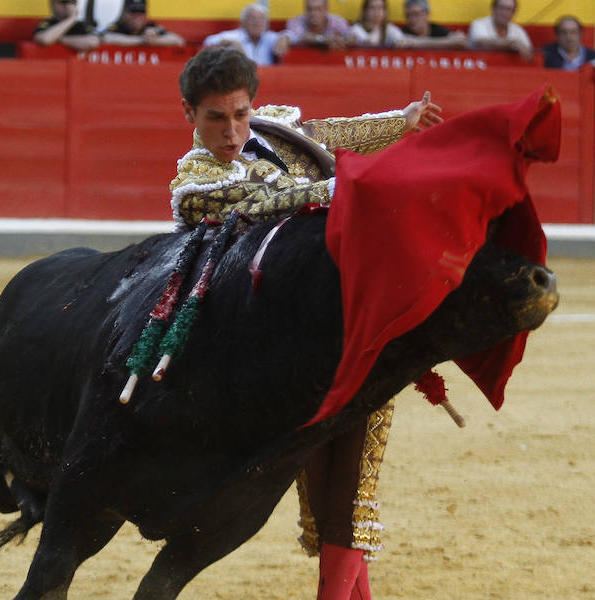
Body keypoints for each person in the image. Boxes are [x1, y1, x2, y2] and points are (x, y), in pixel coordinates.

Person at [170, 46, 441, 599]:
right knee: (329, 490)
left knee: (346, 488)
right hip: (272, 352)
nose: (232, 130)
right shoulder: (196, 184)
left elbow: (334, 132)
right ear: (189, 115)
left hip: (338, 320)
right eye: (215, 118)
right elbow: (276, 200)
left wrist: (401, 122)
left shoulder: (273, 130)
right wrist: (357, 186)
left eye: (240, 113)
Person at [203, 3, 291, 66]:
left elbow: (293, 36)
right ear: (243, 22)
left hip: (268, 79)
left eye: (261, 19)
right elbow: (208, 41)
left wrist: (285, 37)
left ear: (266, 23)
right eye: (252, 18)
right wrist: (230, 43)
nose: (257, 23)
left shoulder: (269, 37)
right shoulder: (235, 36)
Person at [468, 0, 534, 62]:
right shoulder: (479, 24)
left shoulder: (518, 30)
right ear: (493, 9)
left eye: (509, 9)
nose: (505, 13)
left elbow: (530, 53)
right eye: (501, 8)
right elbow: (480, 42)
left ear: (513, 13)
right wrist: (512, 43)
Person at [101, 0, 185, 47]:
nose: (138, 16)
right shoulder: (117, 26)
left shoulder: (151, 28)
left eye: (141, 12)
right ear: (124, 14)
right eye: (133, 12)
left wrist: (155, 41)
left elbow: (178, 40)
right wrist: (141, 40)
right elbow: (105, 38)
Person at [33, 0, 100, 52]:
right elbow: (45, 39)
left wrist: (58, 39)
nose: (67, 6)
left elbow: (93, 42)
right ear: (53, 3)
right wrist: (71, 19)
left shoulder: (81, 25)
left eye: (72, 2)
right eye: (63, 2)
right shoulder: (48, 22)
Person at [398, 0, 468, 49]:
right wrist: (448, 42)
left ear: (427, 14)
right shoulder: (403, 31)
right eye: (408, 15)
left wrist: (414, 42)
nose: (411, 19)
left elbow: (460, 41)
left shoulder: (437, 29)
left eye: (416, 14)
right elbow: (402, 42)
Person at [283, 0, 351, 49]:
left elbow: (352, 37)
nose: (313, 13)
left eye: (318, 9)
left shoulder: (338, 22)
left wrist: (342, 41)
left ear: (326, 10)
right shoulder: (295, 21)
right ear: (305, 10)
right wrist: (324, 40)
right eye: (309, 9)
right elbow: (301, 37)